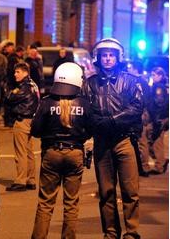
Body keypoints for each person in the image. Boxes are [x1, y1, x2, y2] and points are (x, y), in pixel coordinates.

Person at [82, 38, 143, 239]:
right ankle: (110, 232)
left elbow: (136, 108)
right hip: (102, 143)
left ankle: (131, 232)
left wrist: (113, 121)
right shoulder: (89, 83)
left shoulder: (131, 81)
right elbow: (85, 109)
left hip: (124, 141)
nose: (108, 59)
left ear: (118, 58)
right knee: (106, 192)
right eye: (104, 55)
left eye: (111, 55)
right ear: (98, 58)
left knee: (130, 191)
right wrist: (96, 123)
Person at [30, 62, 93, 239]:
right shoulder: (84, 103)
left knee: (45, 203)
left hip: (51, 153)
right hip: (75, 153)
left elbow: (35, 130)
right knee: (71, 203)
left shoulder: (47, 102)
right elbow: (91, 129)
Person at [4, 62, 40, 191]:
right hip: (32, 120)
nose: (15, 75)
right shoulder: (33, 84)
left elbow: (9, 98)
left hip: (22, 120)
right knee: (29, 151)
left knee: (21, 152)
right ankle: (31, 180)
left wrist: (10, 93)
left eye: (18, 72)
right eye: (15, 72)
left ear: (25, 73)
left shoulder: (24, 87)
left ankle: (21, 180)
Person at [148, 66, 169, 175]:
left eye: (154, 75)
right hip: (159, 118)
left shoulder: (159, 88)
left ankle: (160, 165)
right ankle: (161, 163)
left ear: (160, 76)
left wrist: (158, 119)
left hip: (158, 119)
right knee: (153, 142)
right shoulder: (158, 86)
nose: (153, 77)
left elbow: (159, 104)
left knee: (156, 143)